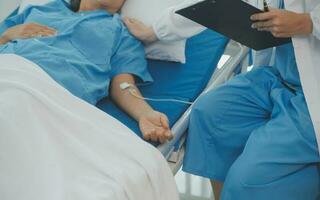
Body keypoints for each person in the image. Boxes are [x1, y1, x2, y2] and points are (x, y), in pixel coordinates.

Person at [182, 1, 320, 200]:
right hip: (279, 75)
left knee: (246, 180)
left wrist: (308, 23)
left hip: (313, 93)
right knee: (210, 113)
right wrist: (156, 30)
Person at [0, 0, 173, 143]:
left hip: (48, 91)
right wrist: (6, 36)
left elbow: (123, 83)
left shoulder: (123, 33)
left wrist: (145, 114)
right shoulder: (38, 10)